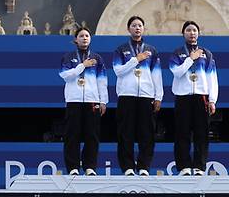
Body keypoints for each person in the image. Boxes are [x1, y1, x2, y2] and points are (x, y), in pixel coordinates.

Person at [113, 16, 163, 176]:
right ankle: (127, 167)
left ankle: (144, 167)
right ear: (128, 29)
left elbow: (157, 75)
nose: (137, 28)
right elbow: (118, 71)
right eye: (134, 25)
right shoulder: (121, 50)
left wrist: (158, 96)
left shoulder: (152, 50)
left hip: (146, 96)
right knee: (125, 133)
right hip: (126, 95)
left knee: (147, 133)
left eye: (140, 25)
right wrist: (135, 60)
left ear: (143, 28)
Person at [169, 20, 218, 176]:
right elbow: (176, 72)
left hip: (201, 96)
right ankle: (183, 166)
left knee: (201, 133)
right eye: (188, 30)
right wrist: (190, 58)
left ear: (199, 33)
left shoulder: (207, 54)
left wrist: (212, 100)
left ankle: (199, 167)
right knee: (182, 132)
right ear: (183, 33)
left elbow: (212, 78)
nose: (192, 33)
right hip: (183, 97)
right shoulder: (177, 53)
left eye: (194, 30)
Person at [59, 27, 108, 176]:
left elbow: (102, 81)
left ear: (90, 39)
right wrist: (82, 66)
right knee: (72, 134)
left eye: (87, 35)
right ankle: (73, 167)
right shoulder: (68, 57)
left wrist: (103, 101)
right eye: (81, 36)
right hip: (74, 100)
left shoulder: (97, 58)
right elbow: (65, 75)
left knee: (91, 135)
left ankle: (90, 167)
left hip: (92, 100)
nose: (84, 38)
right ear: (76, 39)